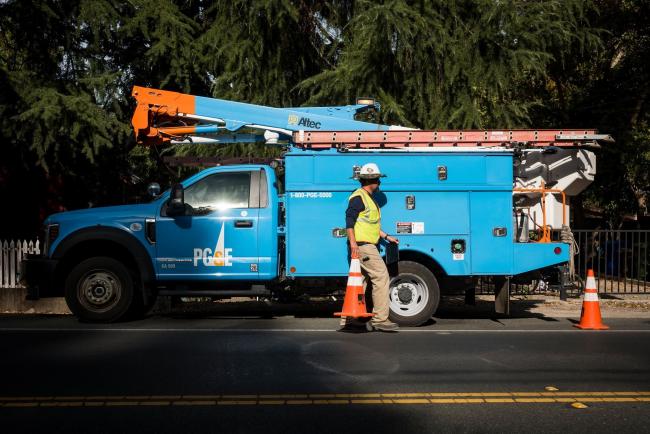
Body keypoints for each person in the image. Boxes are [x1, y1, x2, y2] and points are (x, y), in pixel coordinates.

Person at [345, 163, 400, 332]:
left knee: (359, 282)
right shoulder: (359, 197)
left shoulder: (366, 198)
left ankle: (351, 318)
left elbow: (370, 224)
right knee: (381, 276)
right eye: (378, 181)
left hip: (363, 245)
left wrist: (386, 236)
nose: (379, 184)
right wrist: (354, 244)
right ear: (373, 181)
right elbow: (349, 221)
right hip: (364, 246)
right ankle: (380, 319)